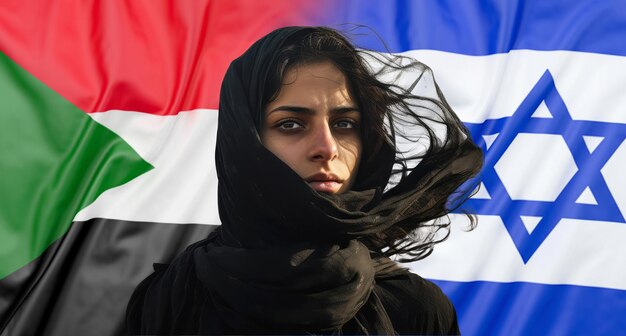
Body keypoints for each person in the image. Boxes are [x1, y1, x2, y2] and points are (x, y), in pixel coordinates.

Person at [126, 26, 483, 335]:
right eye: (291, 124)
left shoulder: (414, 308)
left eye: (345, 124)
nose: (327, 148)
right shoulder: (172, 299)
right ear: (245, 142)